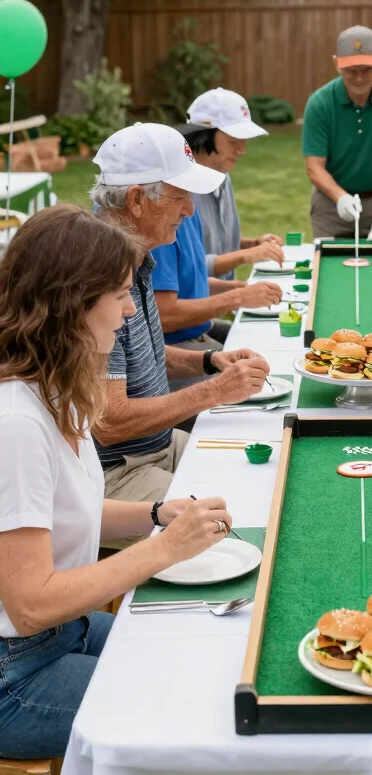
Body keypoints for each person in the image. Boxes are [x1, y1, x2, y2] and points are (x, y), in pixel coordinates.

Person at [0, 205, 234, 759]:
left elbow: (65, 509)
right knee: (196, 708)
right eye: (122, 295)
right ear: (72, 302)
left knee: (209, 655)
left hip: (64, 632)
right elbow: (29, 605)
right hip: (15, 676)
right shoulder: (16, 423)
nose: (130, 311)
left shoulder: (54, 387)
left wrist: (156, 515)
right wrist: (163, 551)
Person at [90, 123, 270, 506]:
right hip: (116, 473)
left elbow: (140, 357)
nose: (189, 210)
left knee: (265, 466)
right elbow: (110, 423)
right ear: (137, 199)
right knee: (242, 505)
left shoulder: (134, 258)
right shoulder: (96, 280)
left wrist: (209, 360)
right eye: (180, 197)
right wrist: (216, 390)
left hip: (158, 446)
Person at [302, 25, 372, 241]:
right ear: (336, 64)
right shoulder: (320, 103)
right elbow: (314, 167)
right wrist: (341, 197)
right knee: (328, 261)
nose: (360, 78)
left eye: (367, 69)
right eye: (351, 71)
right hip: (331, 203)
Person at [181, 87, 285, 281]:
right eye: (233, 141)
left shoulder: (222, 176)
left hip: (223, 296)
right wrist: (246, 255)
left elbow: (214, 246)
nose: (242, 150)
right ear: (203, 136)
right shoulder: (178, 189)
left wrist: (254, 244)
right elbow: (186, 267)